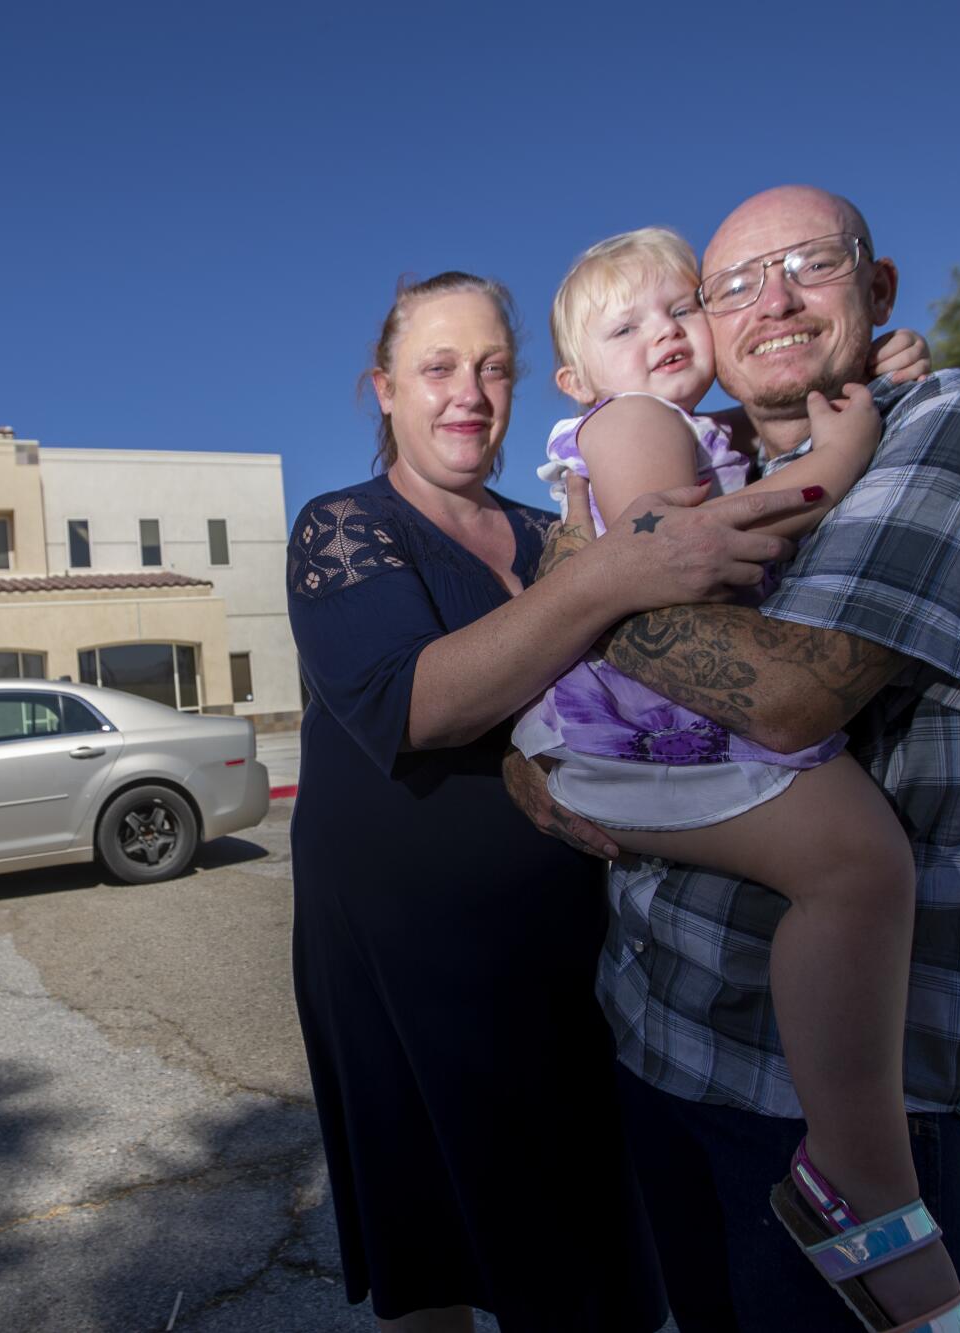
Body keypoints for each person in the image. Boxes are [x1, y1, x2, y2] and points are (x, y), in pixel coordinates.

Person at [507, 187, 960, 1333]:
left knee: (852, 860)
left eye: (809, 267)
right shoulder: (680, 441)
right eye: (732, 289)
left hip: (823, 1084)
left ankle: (860, 1182)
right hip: (658, 1033)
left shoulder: (959, 418)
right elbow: (641, 564)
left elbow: (782, 697)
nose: (761, 303)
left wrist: (572, 592)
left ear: (875, 291)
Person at [287, 271, 822, 1331]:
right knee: (432, 1248)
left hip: (572, 942)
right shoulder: (343, 527)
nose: (469, 393)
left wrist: (838, 405)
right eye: (437, 367)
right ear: (382, 389)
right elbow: (416, 703)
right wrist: (611, 578)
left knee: (588, 1256)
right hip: (401, 957)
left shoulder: (555, 525)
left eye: (492, 367)